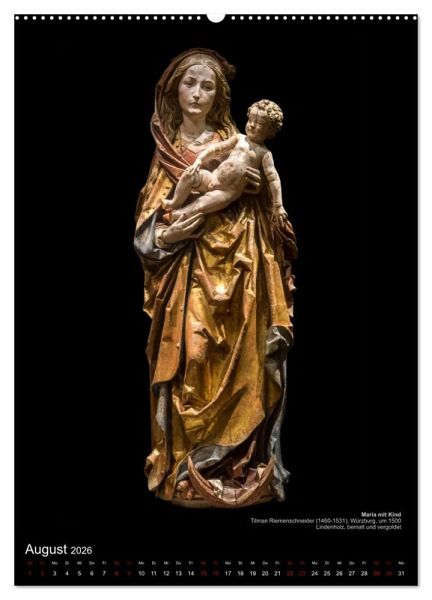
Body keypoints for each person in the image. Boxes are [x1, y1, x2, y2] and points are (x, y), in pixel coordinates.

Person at [134, 48, 297, 508]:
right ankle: (189, 465)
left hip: (241, 273)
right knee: (194, 358)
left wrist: (263, 202)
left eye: (207, 86)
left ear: (219, 96)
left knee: (244, 363)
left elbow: (265, 203)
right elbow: (147, 231)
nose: (197, 94)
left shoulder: (240, 143)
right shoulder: (168, 151)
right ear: (173, 91)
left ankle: (236, 462)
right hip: (189, 278)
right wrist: (171, 233)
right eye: (190, 83)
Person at [162, 100, 287, 227]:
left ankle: (175, 216)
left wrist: (278, 205)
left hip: (226, 192)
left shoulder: (265, 154)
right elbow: (217, 149)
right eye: (250, 120)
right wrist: (199, 160)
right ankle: (175, 202)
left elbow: (273, 179)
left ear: (270, 130)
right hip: (212, 177)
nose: (252, 125)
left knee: (201, 205)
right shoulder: (239, 138)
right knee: (190, 174)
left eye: (259, 123)